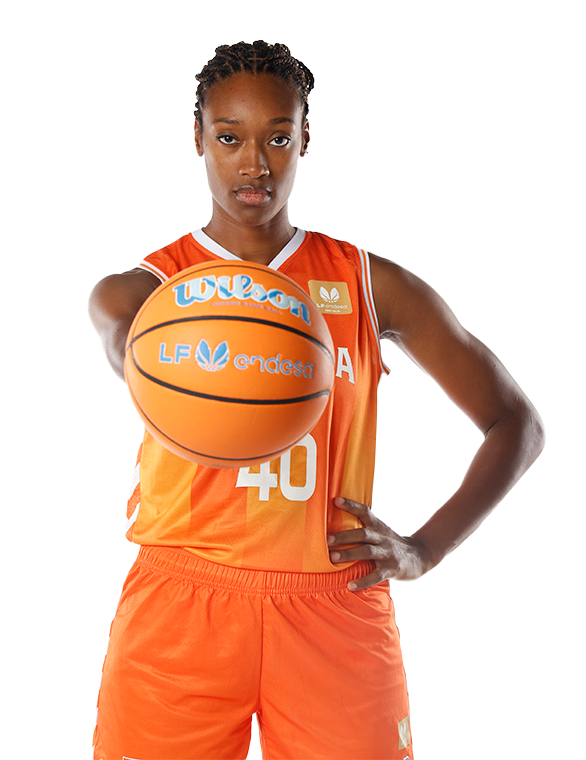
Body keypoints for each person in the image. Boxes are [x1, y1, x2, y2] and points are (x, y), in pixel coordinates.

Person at [88, 40, 545, 760]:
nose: (255, 163)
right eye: (229, 138)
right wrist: (202, 362)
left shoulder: (369, 284)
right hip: (183, 603)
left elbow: (516, 423)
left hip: (336, 604)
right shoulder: (145, 291)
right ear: (196, 138)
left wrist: (425, 549)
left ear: (305, 138)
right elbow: (126, 351)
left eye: (277, 137)